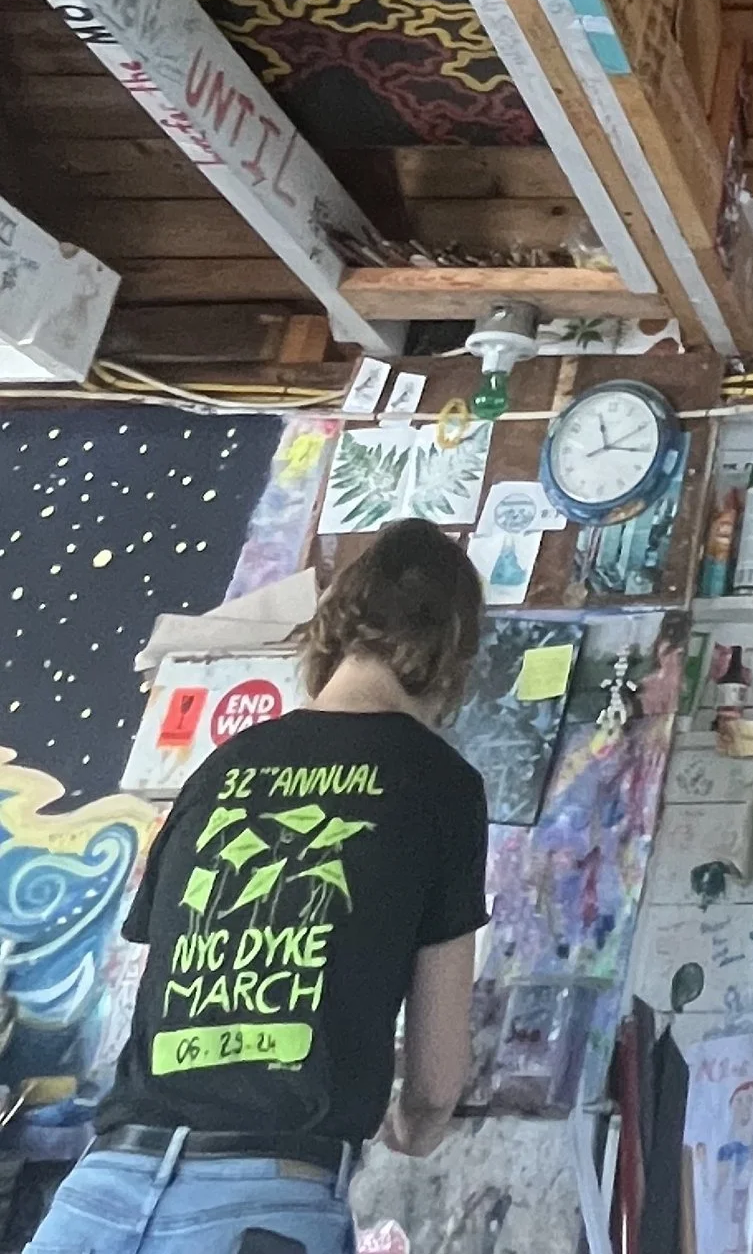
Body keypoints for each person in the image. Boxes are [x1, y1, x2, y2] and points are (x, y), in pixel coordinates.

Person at [32, 521, 492, 1254]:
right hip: (263, 1204)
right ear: (452, 657)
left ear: (336, 627)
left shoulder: (220, 765)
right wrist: (410, 1125)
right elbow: (436, 1082)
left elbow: (155, 982)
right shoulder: (441, 783)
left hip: (101, 1189)